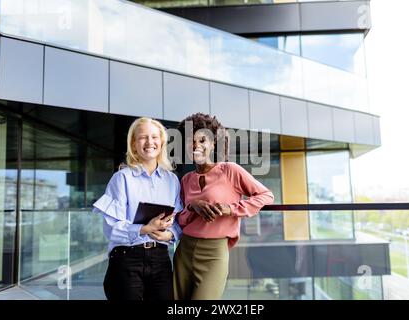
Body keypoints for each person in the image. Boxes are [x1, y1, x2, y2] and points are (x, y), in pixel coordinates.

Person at [173, 113, 274, 300]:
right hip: (184, 250)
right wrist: (192, 206)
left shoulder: (231, 170)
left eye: (202, 140)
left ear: (214, 143)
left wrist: (232, 209)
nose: (196, 146)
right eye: (190, 141)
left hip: (214, 254)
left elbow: (266, 196)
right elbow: (181, 220)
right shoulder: (186, 180)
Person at [93, 117, 182, 300]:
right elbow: (111, 229)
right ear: (134, 145)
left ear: (162, 143)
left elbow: (180, 222)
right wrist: (144, 229)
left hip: (161, 259)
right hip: (127, 259)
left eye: (154, 137)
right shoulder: (122, 178)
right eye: (143, 137)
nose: (150, 142)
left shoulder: (172, 181)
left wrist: (170, 234)